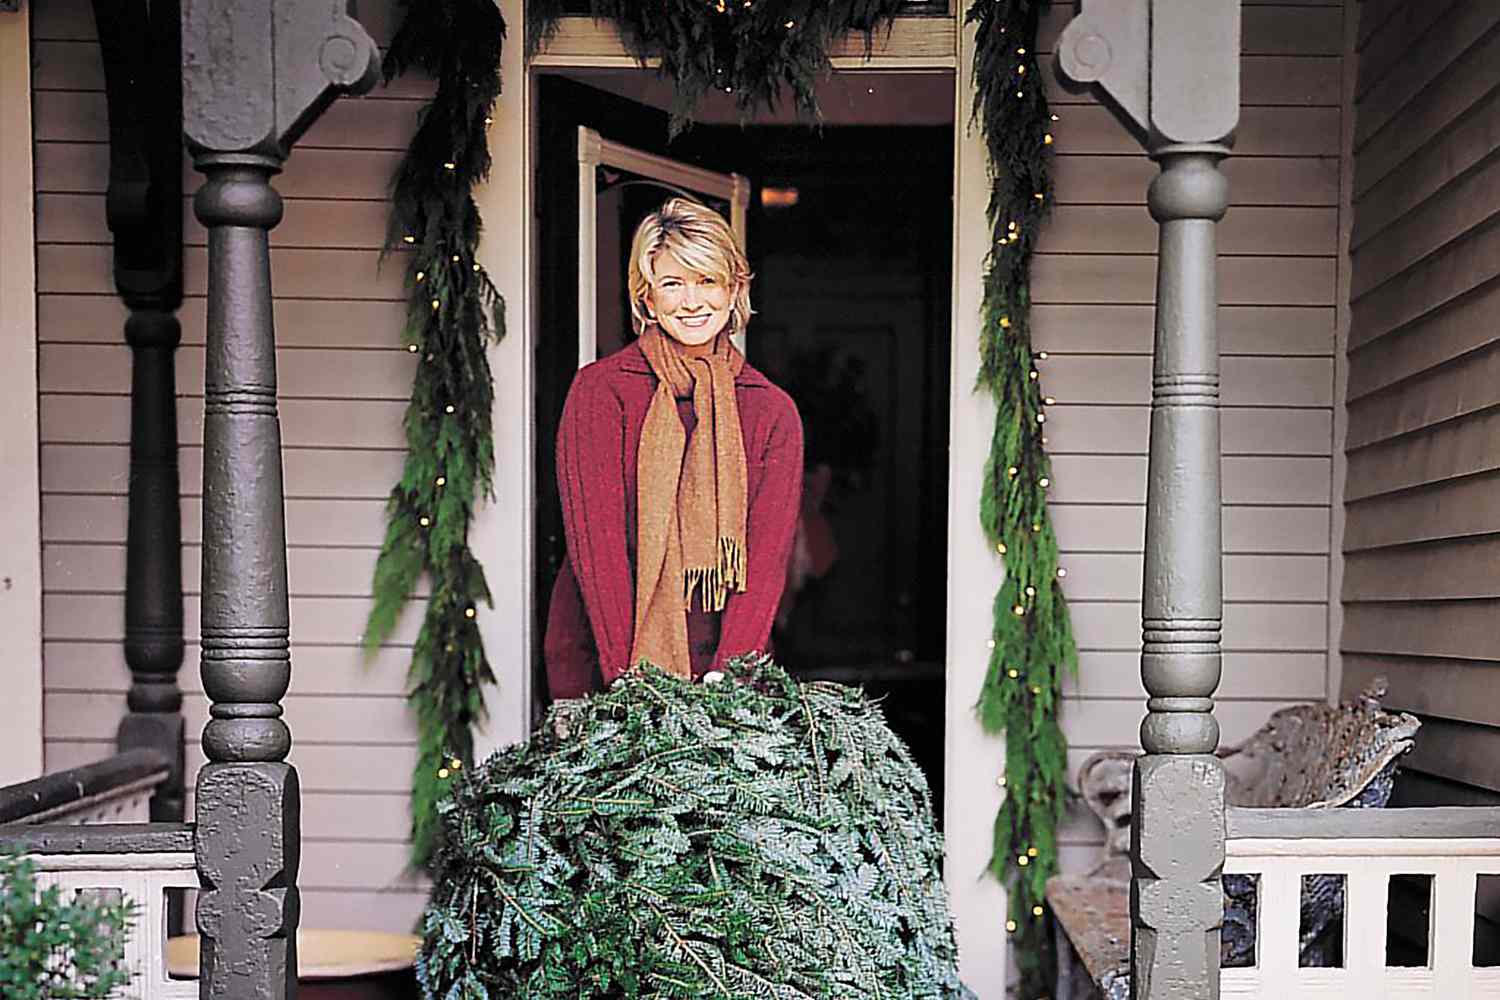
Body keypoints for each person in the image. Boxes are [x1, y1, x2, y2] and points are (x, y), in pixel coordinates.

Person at [544, 197, 804, 698]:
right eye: (672, 283)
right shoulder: (602, 393)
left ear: (734, 290)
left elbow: (766, 565)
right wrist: (630, 686)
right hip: (603, 667)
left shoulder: (771, 413)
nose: (691, 302)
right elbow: (597, 552)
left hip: (728, 677)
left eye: (707, 281)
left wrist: (731, 681)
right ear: (646, 298)